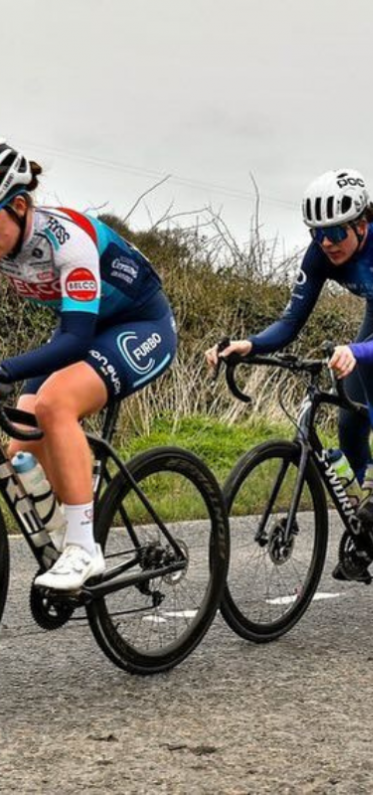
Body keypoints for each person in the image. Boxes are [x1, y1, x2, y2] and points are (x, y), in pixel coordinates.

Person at [206, 169, 373, 578]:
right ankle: (367, 525)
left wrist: (356, 350)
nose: (326, 242)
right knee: (348, 418)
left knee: (372, 358)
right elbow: (291, 322)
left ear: (361, 224)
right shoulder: (320, 254)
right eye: (316, 233)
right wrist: (249, 344)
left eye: (336, 233)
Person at [0, 140, 177, 590]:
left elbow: (76, 342)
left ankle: (84, 548)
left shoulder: (66, 239)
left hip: (140, 324)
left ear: (19, 205)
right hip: (82, 327)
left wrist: (5, 369)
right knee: (20, 450)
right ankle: (67, 526)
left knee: (55, 403)